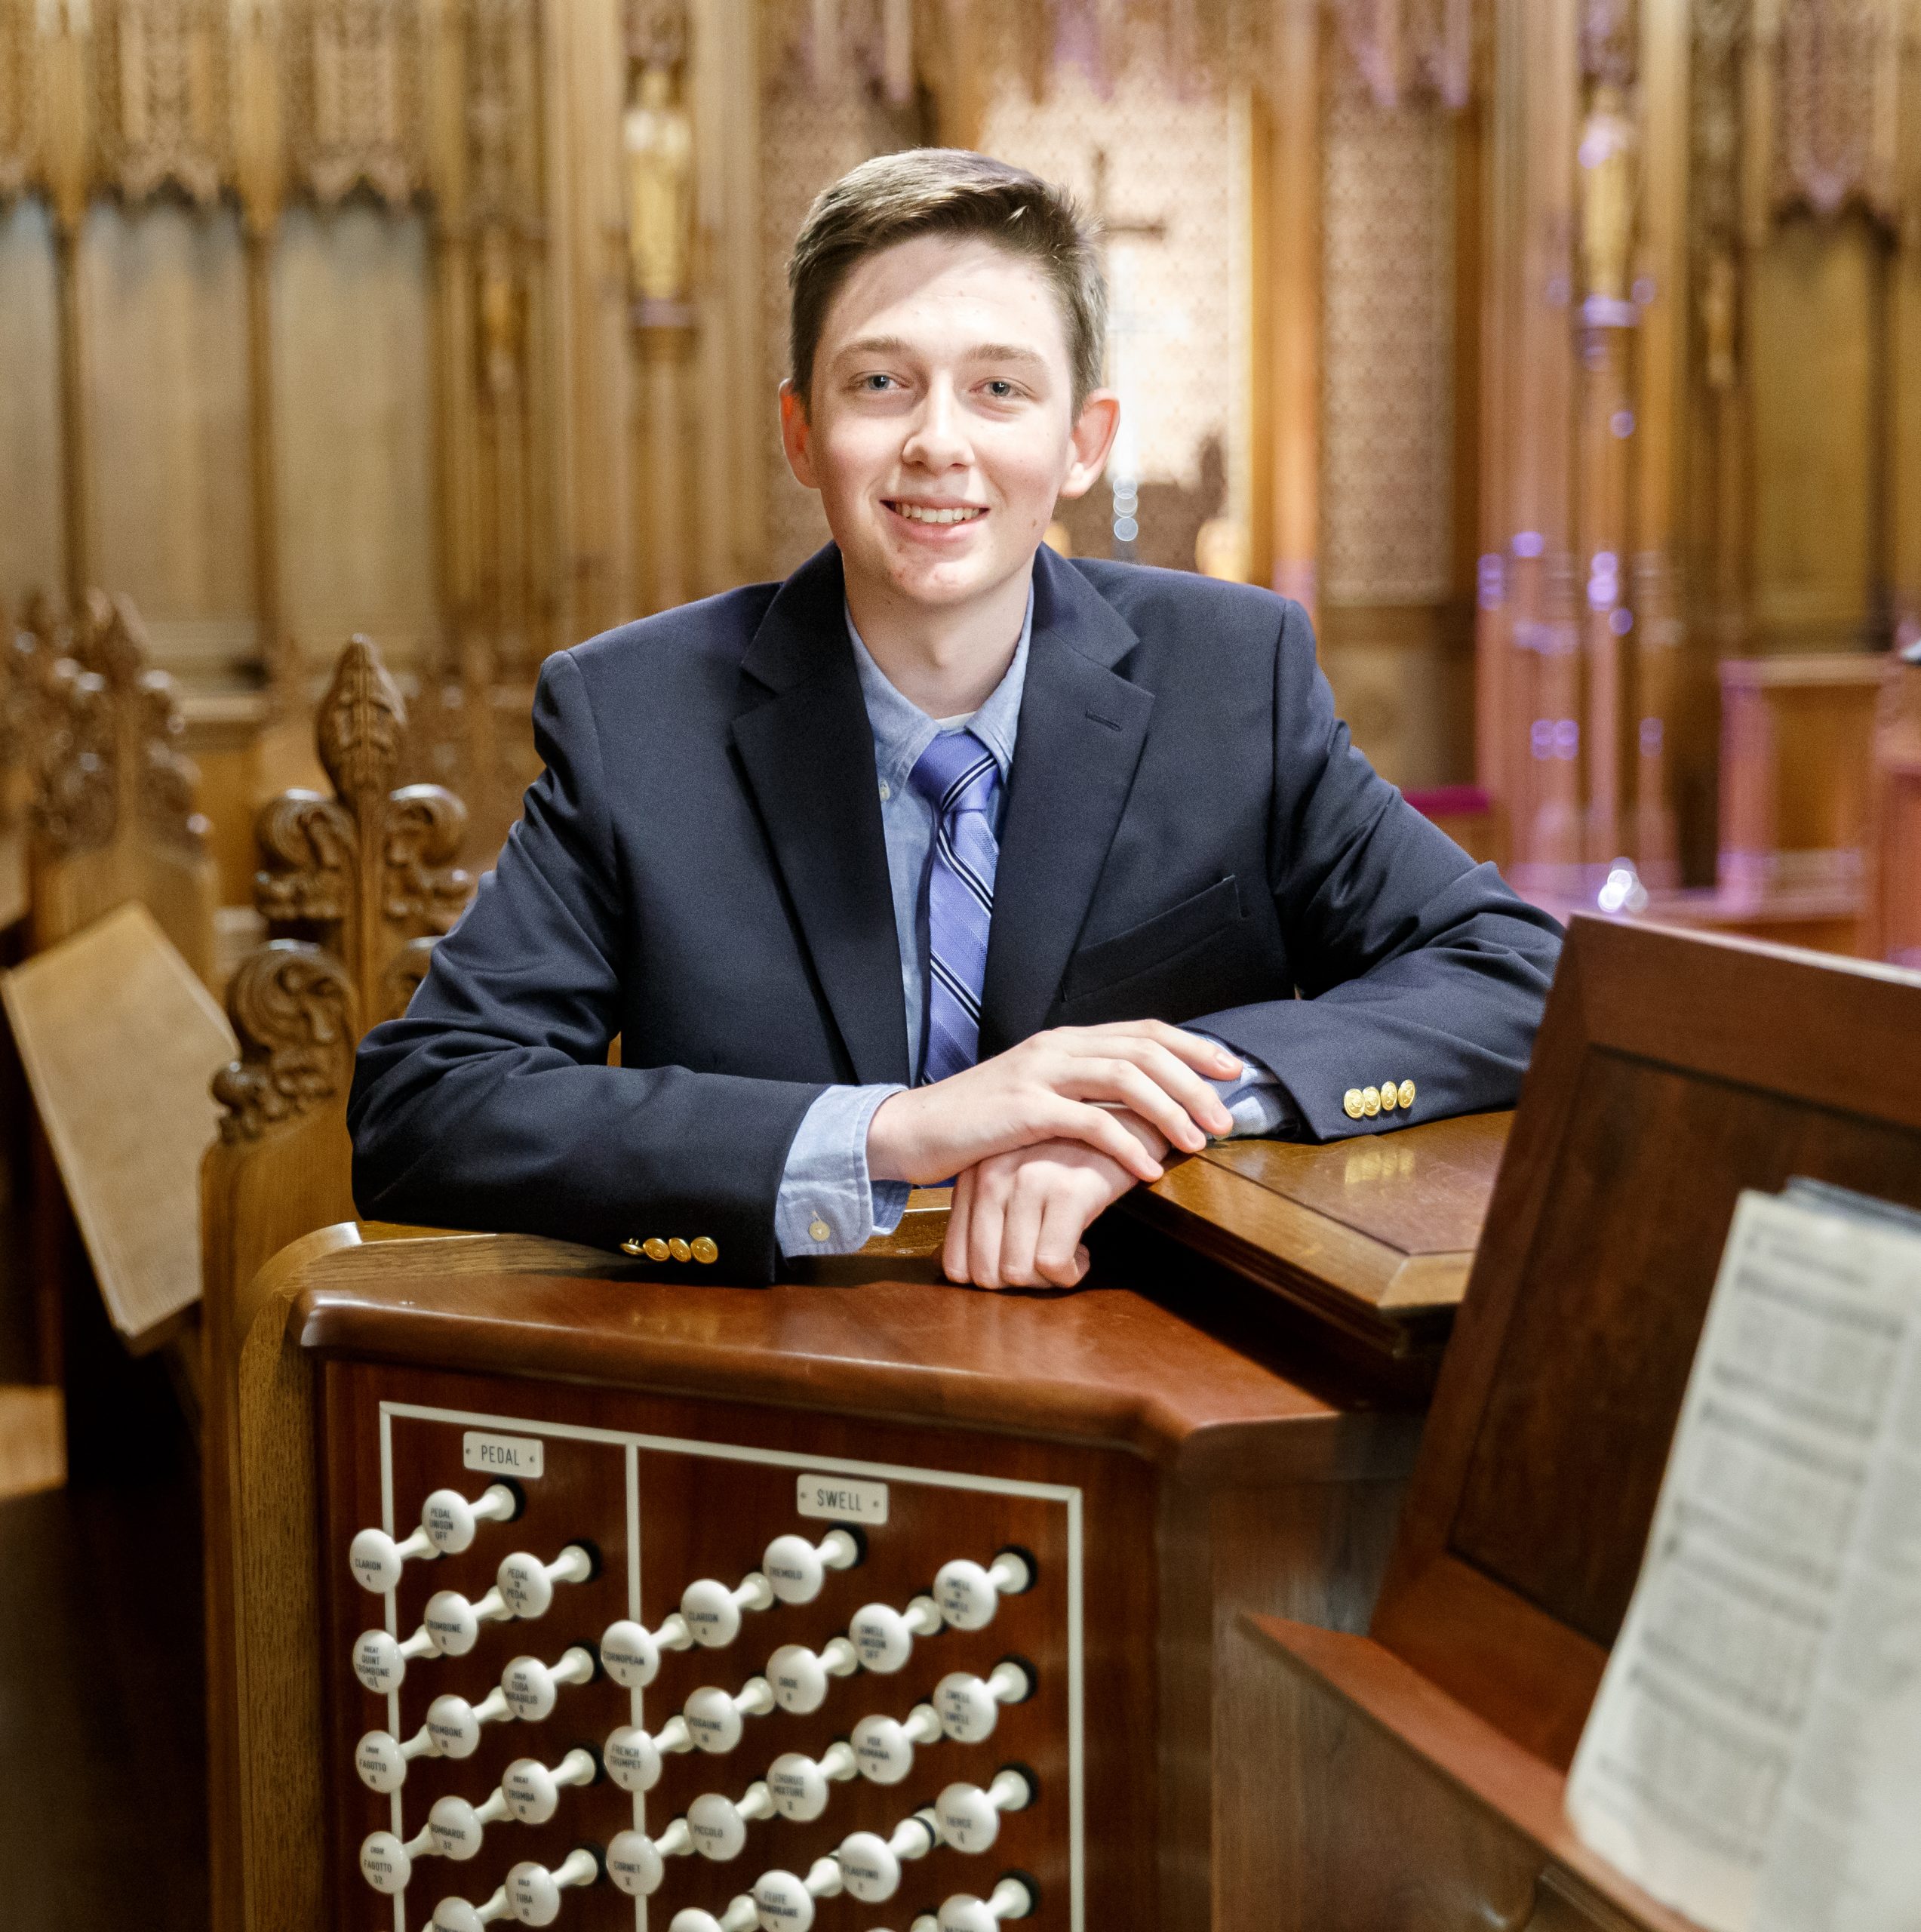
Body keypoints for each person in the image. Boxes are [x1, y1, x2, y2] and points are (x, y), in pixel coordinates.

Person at [349, 149, 1562, 1292]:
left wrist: (1150, 1104)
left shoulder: (1232, 677)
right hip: (779, 1371)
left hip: (1144, 1355)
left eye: (998, 389)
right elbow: (427, 1104)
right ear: (799, 431)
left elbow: (1515, 973)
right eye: (881, 384)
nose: (938, 442)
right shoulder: (636, 716)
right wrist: (896, 1131)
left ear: (1081, 441)